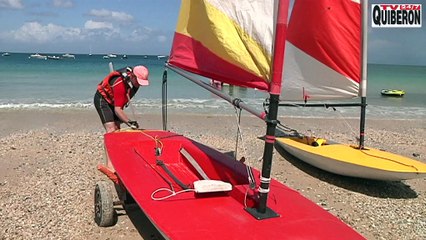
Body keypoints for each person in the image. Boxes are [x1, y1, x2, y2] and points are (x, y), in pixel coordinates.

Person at [94, 65, 149, 183]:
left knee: (118, 131)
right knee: (111, 130)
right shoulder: (119, 84)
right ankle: (110, 165)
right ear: (132, 76)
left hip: (114, 102)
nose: (139, 84)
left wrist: (126, 121)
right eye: (138, 81)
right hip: (103, 100)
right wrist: (129, 122)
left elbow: (121, 103)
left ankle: (117, 160)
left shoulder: (135, 84)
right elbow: (117, 109)